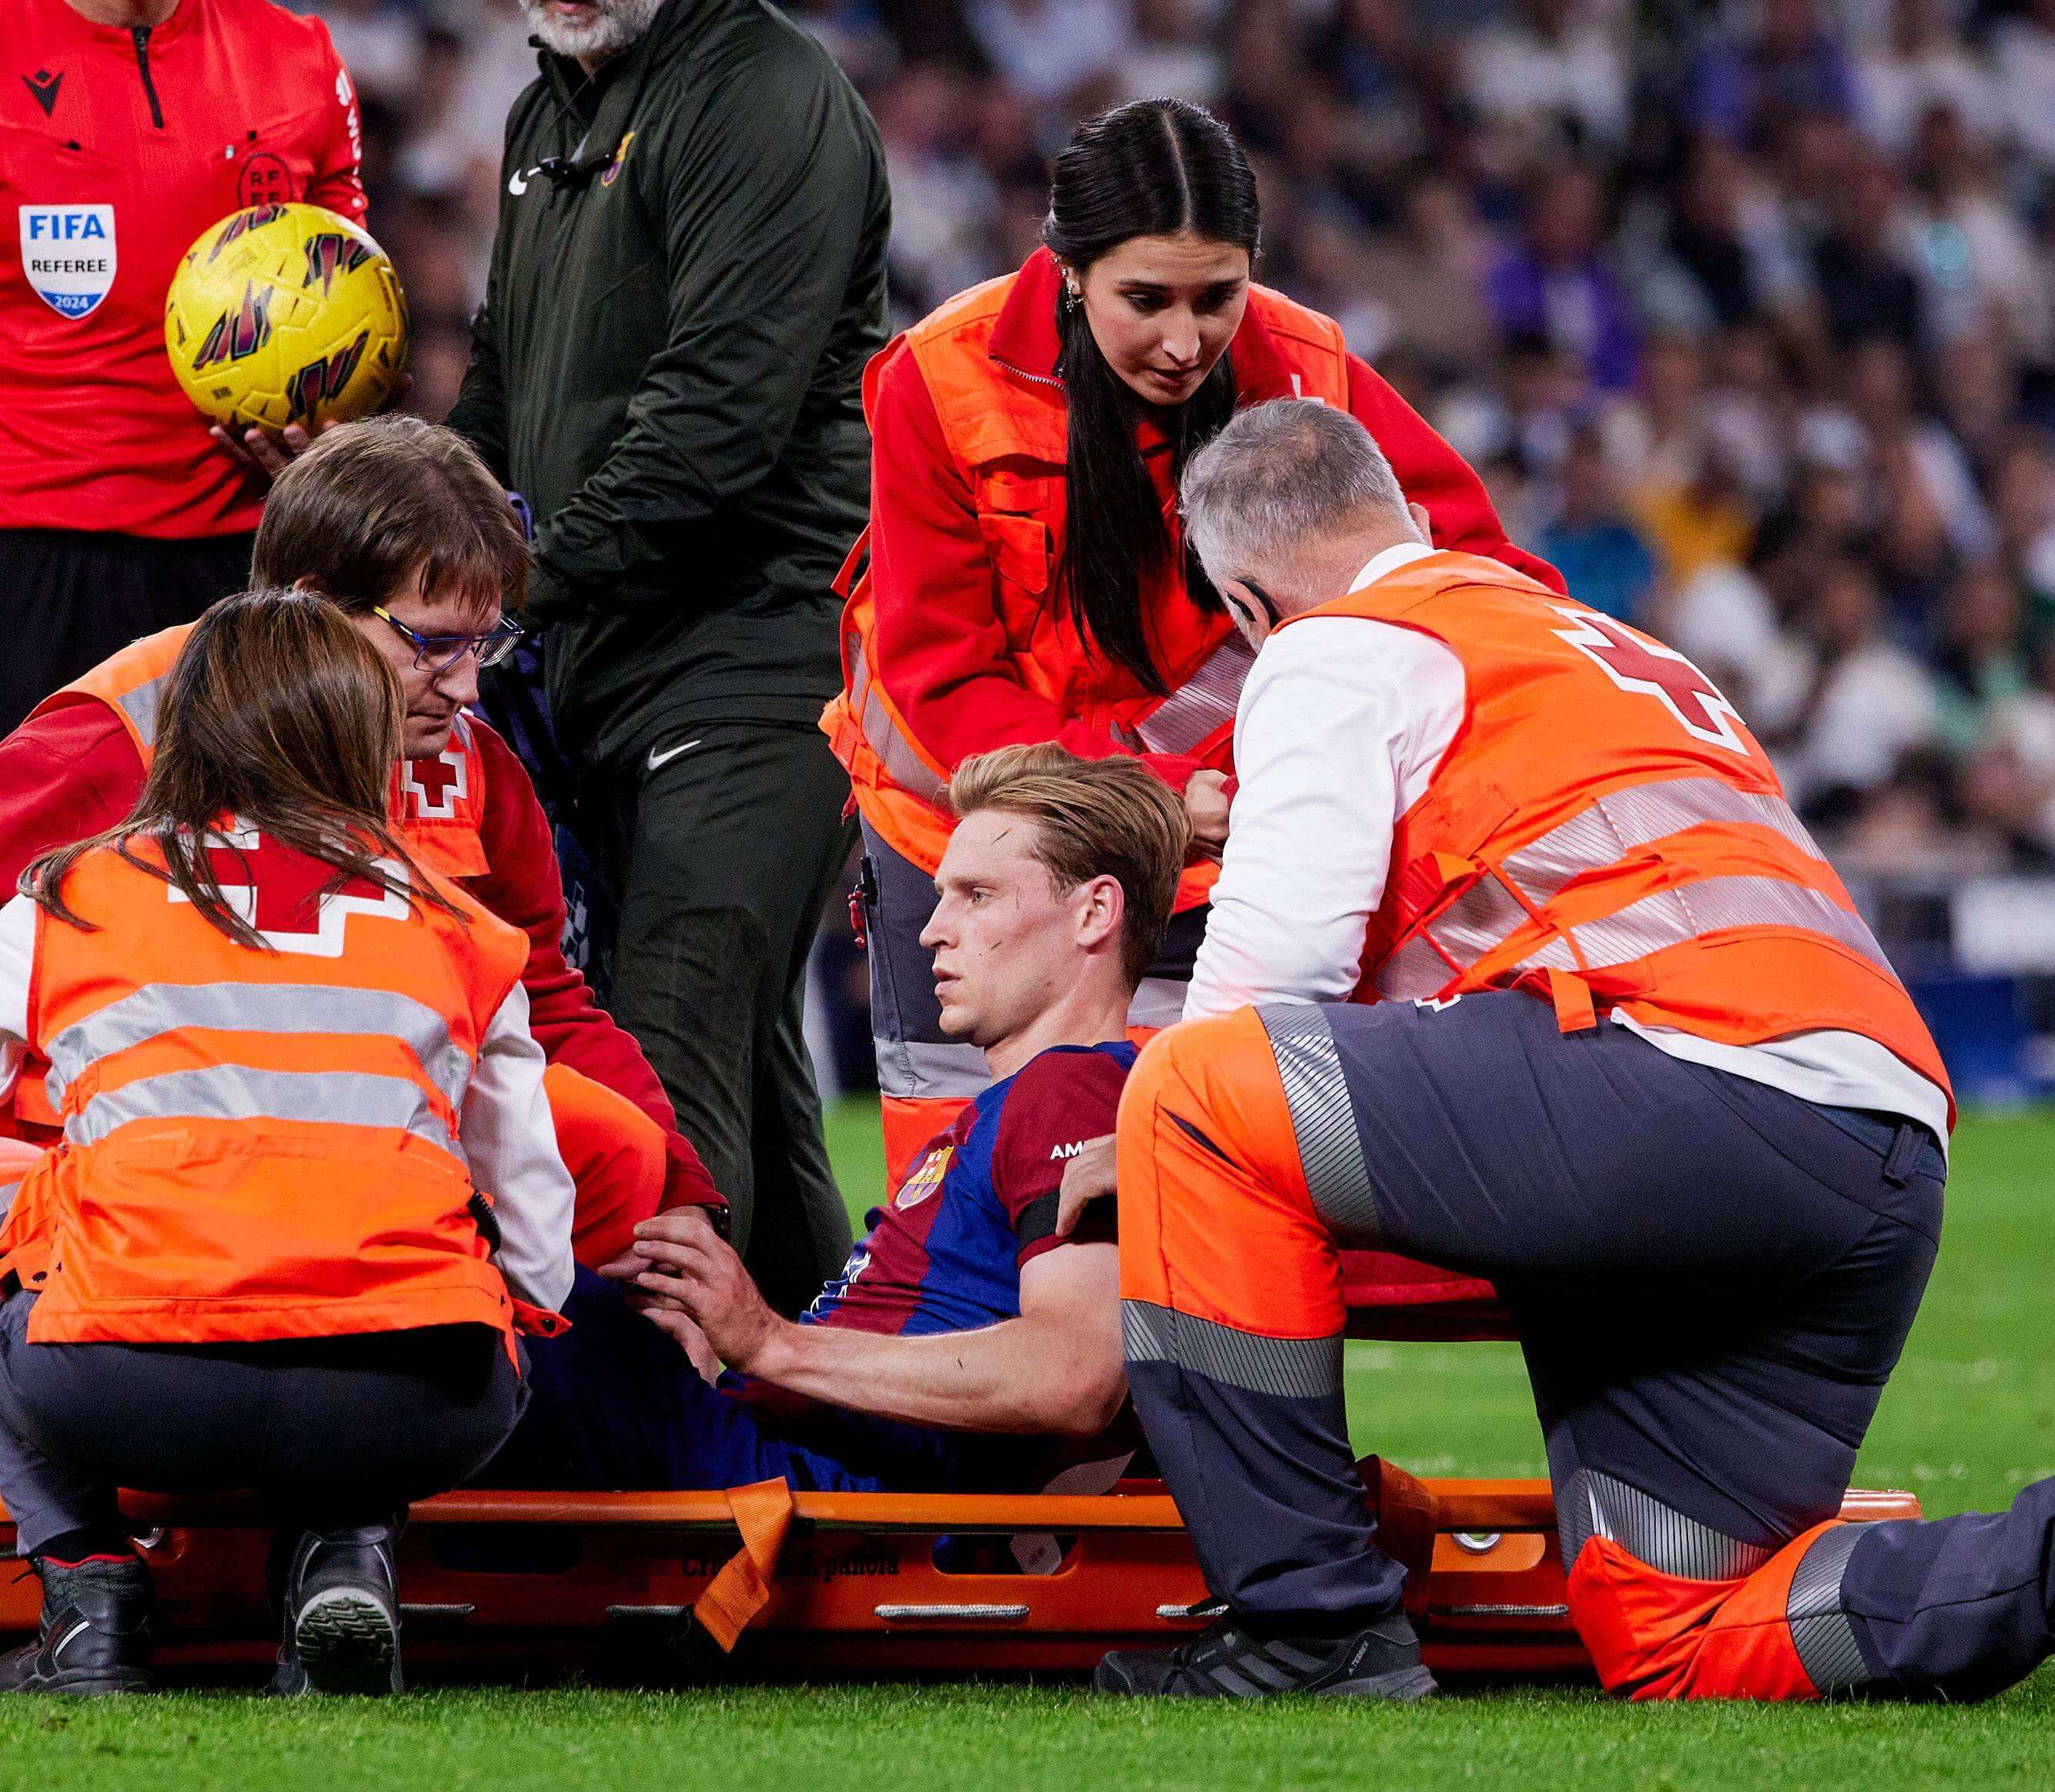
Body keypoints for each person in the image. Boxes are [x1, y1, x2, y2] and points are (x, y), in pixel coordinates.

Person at [1092, 401, 2055, 1704]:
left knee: (1191, 1098)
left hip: (1685, 1080)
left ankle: (1311, 1629)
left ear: (1251, 601)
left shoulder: (1338, 650)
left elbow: (1270, 981)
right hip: (1874, 1145)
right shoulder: (1613, 646)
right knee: (1681, 1631)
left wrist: (1134, 1161)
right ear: (1409, 519)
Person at [0, 419, 713, 1489]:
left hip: (358, 1160)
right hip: (159, 1158)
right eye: (432, 644)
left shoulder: (470, 764)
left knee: (618, 1149)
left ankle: (46, 1450)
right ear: (311, 604)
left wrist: (675, 1197)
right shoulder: (114, 732)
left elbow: (549, 1001)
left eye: (482, 644)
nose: (467, 686)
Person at [0, 589, 573, 1698]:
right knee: (408, 1233)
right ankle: (341, 1553)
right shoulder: (459, 921)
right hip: (423, 1406)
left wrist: (60, 1202)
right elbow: (542, 1257)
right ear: (358, 731)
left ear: (184, 729)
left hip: (119, 1381)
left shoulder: (76, 894)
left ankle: (86, 1590)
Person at [826, 98, 1561, 1189]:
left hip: (1213, 858)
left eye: (1218, 297)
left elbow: (1477, 582)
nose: (1184, 341)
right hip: (968, 843)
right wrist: (1154, 793)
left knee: (1187, 1196)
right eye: (1146, 300)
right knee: (963, 1218)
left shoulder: (1306, 367)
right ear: (1070, 270)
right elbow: (944, 680)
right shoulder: (942, 377)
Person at [445, 0, 890, 1314]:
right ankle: (838, 1424)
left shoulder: (765, 94)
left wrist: (503, 589)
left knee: (670, 1031)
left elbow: (719, 416)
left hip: (754, 649)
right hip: (599, 656)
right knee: (744, 1069)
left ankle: (659, 1465)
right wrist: (415, 528)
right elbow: (501, 381)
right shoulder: (552, 108)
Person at [482, 745, 1184, 1496]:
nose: (932, 930)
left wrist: (767, 1342)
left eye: (976, 895)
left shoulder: (1070, 1091)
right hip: (764, 1450)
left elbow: (1075, 1372)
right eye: (940, 894)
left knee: (464, 1299)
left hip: (793, 1485)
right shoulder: (1033, 1104)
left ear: (1093, 913)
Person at [0, 0, 370, 847]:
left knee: (257, 945)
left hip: (251, 577)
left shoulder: (300, 64)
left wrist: (324, 442)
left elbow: (354, 336)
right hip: (24, 595)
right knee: (12, 945)